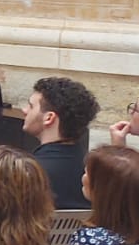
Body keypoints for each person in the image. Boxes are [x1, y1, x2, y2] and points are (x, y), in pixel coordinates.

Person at [23, 76, 98, 210]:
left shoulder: (27, 172)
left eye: (31, 106)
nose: (24, 110)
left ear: (49, 118)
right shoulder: (93, 171)